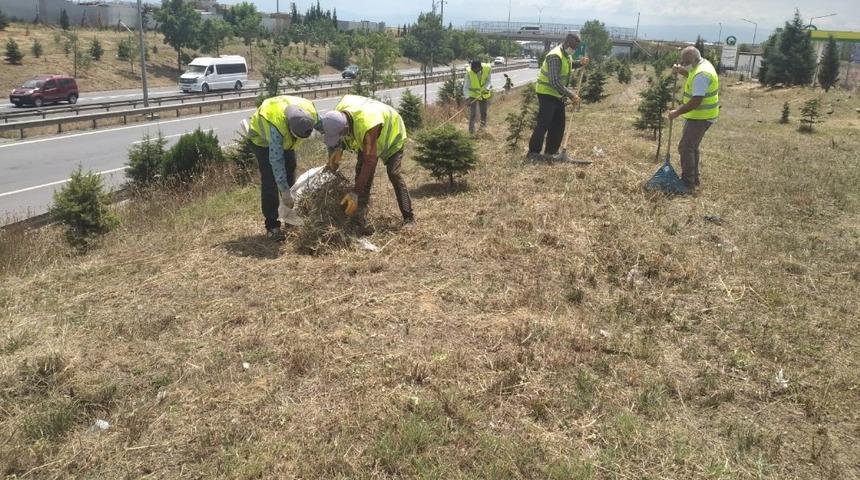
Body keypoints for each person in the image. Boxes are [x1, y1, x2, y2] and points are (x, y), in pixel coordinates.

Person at [320, 95, 415, 228]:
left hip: (392, 134)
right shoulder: (336, 116)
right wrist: (335, 157)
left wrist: (355, 193)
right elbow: (339, 140)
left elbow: (370, 162)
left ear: (346, 128)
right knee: (361, 172)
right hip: (368, 133)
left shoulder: (368, 125)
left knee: (393, 173)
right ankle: (359, 219)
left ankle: (409, 218)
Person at [246, 95, 319, 241]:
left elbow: (325, 126)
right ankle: (272, 225)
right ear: (290, 128)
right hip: (262, 142)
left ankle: (291, 219)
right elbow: (276, 160)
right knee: (271, 180)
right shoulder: (276, 128)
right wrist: (285, 192)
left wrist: (335, 147)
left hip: (284, 141)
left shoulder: (310, 113)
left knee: (290, 170)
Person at [527, 33, 589, 159]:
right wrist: (572, 95)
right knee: (544, 122)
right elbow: (554, 81)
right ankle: (533, 152)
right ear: (566, 43)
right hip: (546, 93)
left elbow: (568, 66)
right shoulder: (555, 55)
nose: (574, 49)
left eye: (576, 47)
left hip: (557, 94)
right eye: (573, 47)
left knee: (559, 124)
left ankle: (551, 152)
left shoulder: (566, 55)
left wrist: (579, 63)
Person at [668, 45, 720, 191]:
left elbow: (696, 101)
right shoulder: (702, 65)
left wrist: (676, 112)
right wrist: (682, 71)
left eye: (685, 62)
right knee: (692, 147)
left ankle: (687, 184)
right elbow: (691, 75)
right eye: (682, 62)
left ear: (694, 59)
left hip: (700, 117)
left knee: (685, 147)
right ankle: (694, 179)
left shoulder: (701, 75)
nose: (683, 64)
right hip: (702, 116)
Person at [462, 59, 493, 134]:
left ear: (480, 67)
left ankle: (483, 129)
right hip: (473, 95)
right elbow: (465, 87)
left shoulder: (487, 68)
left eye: (476, 70)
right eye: (473, 70)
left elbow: (489, 81)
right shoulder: (469, 72)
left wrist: (486, 89)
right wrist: (467, 98)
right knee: (473, 114)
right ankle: (471, 132)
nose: (474, 72)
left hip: (483, 94)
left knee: (483, 112)